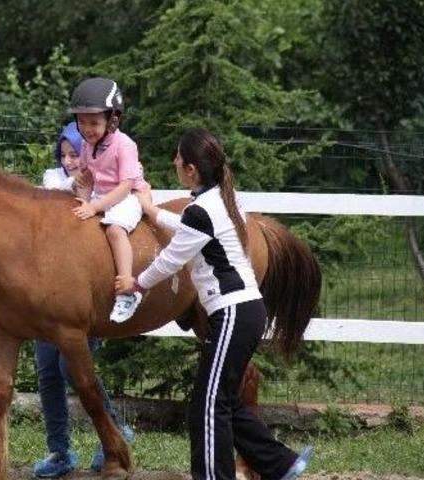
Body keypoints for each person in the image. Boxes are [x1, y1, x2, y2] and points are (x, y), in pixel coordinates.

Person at [115, 129, 314, 480]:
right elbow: (188, 228)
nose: (174, 162)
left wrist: (136, 283)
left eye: (178, 158)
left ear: (190, 170)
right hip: (245, 312)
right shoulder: (223, 199)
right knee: (225, 401)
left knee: (206, 407)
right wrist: (151, 211)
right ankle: (281, 463)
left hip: (233, 314)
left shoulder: (203, 209)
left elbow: (171, 260)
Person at [32, 121, 134, 478]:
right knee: (47, 371)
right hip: (46, 294)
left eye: (75, 153)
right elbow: (52, 199)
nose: (69, 160)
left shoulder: (98, 188)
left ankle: (114, 431)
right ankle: (59, 452)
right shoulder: (52, 181)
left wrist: (89, 191)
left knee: (69, 367)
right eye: (64, 154)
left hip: (79, 295)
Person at [68, 77, 150, 323]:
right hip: (102, 196)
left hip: (130, 196)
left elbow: (125, 186)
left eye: (94, 122)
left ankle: (127, 289)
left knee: (115, 230)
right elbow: (86, 178)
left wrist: (94, 207)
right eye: (82, 122)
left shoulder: (125, 145)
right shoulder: (86, 144)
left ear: (112, 120)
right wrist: (82, 200)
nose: (87, 128)